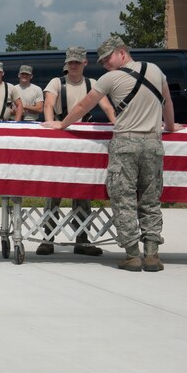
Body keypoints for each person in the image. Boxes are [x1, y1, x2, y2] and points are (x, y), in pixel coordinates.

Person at [43, 37, 183, 271]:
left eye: (108, 58)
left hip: (125, 144)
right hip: (153, 144)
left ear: (121, 53)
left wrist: (62, 125)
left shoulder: (110, 78)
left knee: (125, 200)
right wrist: (169, 127)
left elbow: (83, 106)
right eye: (101, 61)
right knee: (150, 200)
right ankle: (152, 255)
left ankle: (132, 255)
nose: (105, 64)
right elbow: (166, 101)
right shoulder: (156, 70)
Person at [37, 47, 117, 256]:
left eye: (77, 62)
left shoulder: (93, 84)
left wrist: (117, 125)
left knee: (82, 192)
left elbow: (107, 107)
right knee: (54, 191)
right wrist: (49, 125)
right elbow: (48, 105)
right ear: (66, 63)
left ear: (85, 63)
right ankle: (48, 238)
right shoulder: (56, 83)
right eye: (71, 62)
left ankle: (83, 240)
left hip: (83, 144)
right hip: (59, 142)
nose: (73, 65)